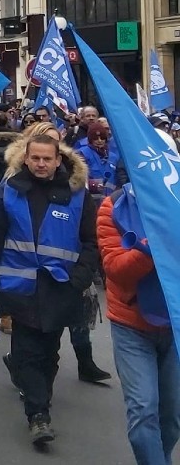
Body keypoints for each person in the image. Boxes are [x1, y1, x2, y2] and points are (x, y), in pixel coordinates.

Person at [0, 134, 100, 447]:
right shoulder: (10, 190)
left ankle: (39, 395)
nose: (41, 164)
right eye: (36, 158)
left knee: (49, 353)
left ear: (58, 160)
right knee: (26, 351)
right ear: (26, 159)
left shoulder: (77, 194)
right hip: (20, 287)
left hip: (61, 287)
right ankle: (38, 414)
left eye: (47, 159)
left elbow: (91, 241)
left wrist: (80, 279)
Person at [99, 181, 180, 465]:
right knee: (144, 411)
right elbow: (116, 270)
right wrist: (152, 246)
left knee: (171, 419)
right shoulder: (113, 205)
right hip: (132, 325)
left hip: (175, 326)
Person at [77, 120, 120, 197]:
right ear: (90, 139)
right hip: (91, 199)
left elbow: (118, 179)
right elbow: (78, 177)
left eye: (102, 138)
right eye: (96, 138)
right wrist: (93, 185)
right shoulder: (82, 154)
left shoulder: (113, 157)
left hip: (110, 200)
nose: (99, 141)